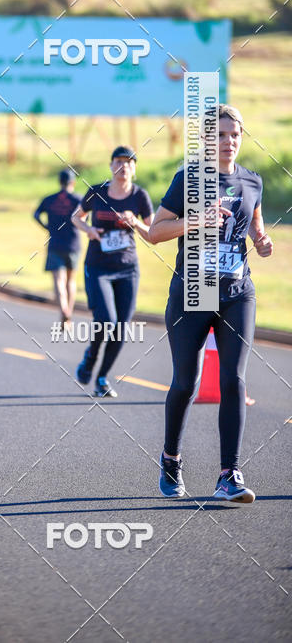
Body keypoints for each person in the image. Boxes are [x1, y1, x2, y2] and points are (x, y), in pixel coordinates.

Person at [149, 105, 273, 504]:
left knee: (233, 381)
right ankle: (171, 460)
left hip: (238, 292)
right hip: (193, 292)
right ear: (206, 141)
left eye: (234, 134)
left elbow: (255, 226)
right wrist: (195, 222)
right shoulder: (190, 179)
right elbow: (154, 232)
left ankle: (229, 474)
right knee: (186, 382)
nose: (228, 141)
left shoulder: (252, 180)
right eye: (219, 135)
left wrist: (262, 242)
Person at [71, 146, 154, 397]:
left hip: (127, 269)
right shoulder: (97, 192)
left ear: (134, 169)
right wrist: (90, 231)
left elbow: (152, 231)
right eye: (118, 162)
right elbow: (76, 217)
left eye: (129, 162)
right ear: (111, 166)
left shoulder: (140, 196)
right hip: (98, 267)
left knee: (121, 327)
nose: (123, 167)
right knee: (106, 320)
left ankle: (103, 378)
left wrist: (135, 221)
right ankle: (90, 357)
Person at [33, 168, 81, 329]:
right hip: (73, 244)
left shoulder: (50, 199)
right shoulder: (77, 199)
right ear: (72, 182)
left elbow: (36, 214)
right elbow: (86, 217)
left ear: (59, 182)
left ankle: (64, 311)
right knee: (71, 280)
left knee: (58, 281)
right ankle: (69, 315)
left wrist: (47, 227)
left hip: (55, 244)